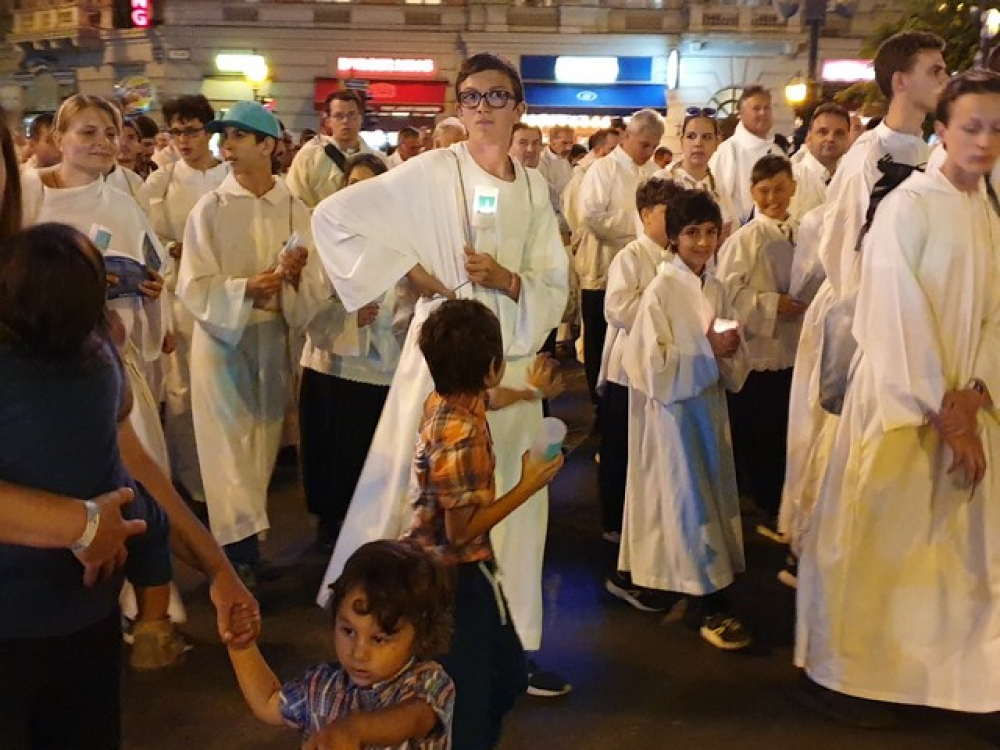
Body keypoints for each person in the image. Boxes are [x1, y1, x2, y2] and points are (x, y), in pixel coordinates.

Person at [313, 52, 570, 698]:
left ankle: (511, 646)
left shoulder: (533, 186)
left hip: (510, 363)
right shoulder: (433, 170)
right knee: (430, 507)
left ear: (519, 108)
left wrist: (507, 280)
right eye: (472, 97)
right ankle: (405, 643)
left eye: (497, 96)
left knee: (514, 507)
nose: (484, 108)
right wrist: (416, 273)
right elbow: (336, 218)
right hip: (446, 359)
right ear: (459, 107)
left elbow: (553, 278)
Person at [796, 69, 1000, 727]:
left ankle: (952, 680)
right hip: (902, 408)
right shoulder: (908, 206)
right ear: (942, 130)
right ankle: (859, 679)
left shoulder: (984, 210)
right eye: (971, 127)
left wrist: (977, 391)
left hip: (964, 405)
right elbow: (893, 315)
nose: (985, 141)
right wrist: (945, 409)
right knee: (885, 547)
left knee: (956, 556)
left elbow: (994, 314)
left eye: (997, 129)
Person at [777, 31, 947, 573]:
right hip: (861, 318)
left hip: (904, 318)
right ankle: (819, 559)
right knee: (838, 440)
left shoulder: (929, 152)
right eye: (935, 70)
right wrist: (877, 320)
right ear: (901, 81)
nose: (945, 80)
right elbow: (842, 249)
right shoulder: (868, 156)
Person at [401, 300, 563, 750]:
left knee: (506, 674)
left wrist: (529, 392)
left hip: (467, 571)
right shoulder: (463, 434)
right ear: (492, 367)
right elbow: (460, 532)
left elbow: (492, 398)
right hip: (455, 577)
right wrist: (529, 483)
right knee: (471, 697)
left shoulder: (448, 400)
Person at [178, 101, 319, 588]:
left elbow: (315, 281)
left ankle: (247, 551)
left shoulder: (295, 208)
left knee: (260, 445)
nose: (227, 146)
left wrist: (295, 279)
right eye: (225, 137)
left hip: (270, 337)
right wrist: (244, 290)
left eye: (238, 136)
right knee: (226, 449)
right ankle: (234, 556)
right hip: (222, 340)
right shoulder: (210, 208)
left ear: (268, 145)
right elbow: (193, 284)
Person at [616, 188, 752, 650]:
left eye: (710, 232)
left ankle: (696, 586)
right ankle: (710, 602)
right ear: (673, 237)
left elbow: (732, 352)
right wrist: (705, 349)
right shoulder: (661, 290)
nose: (703, 242)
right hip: (674, 418)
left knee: (707, 496)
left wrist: (730, 349)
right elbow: (650, 366)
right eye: (692, 233)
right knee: (689, 501)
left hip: (708, 409)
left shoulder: (715, 286)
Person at [228, 540, 454, 749]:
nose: (358, 653)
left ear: (421, 635)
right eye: (348, 631)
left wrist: (354, 729)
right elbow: (268, 701)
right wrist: (243, 647)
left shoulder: (429, 682)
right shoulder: (320, 685)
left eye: (379, 639)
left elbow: (415, 718)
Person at [298, 152, 406, 552]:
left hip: (382, 365)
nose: (359, 194)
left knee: (371, 454)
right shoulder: (326, 236)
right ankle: (331, 526)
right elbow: (308, 301)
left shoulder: (400, 238)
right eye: (352, 185)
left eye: (369, 187)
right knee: (332, 453)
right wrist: (346, 318)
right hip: (333, 363)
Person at [141, 94, 230, 508]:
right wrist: (174, 248)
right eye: (175, 132)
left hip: (224, 294)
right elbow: (147, 239)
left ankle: (225, 481)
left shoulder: (228, 175)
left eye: (191, 131)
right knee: (182, 394)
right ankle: (190, 484)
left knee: (224, 391)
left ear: (208, 131)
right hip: (180, 296)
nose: (183, 140)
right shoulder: (160, 182)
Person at [715, 154, 805, 534]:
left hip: (797, 346)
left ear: (793, 188)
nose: (772, 198)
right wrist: (772, 304)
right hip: (761, 349)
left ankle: (788, 500)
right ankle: (765, 503)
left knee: (790, 428)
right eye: (764, 191)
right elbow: (727, 293)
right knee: (763, 430)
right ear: (752, 192)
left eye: (780, 189)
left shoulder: (804, 231)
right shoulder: (745, 239)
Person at [595, 177, 680, 556]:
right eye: (666, 213)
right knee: (621, 447)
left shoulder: (678, 258)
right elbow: (617, 308)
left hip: (664, 365)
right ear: (646, 216)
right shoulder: (630, 256)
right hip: (628, 368)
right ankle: (614, 522)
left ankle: (650, 517)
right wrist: (660, 305)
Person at [575, 109, 664, 406]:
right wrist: (642, 225)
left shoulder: (655, 173)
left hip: (645, 271)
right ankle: (600, 406)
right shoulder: (603, 169)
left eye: (654, 146)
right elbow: (592, 216)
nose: (648, 152)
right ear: (627, 135)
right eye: (644, 144)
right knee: (600, 342)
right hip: (603, 269)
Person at [286, 90, 384, 209]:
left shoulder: (377, 160)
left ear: (361, 118)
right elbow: (295, 200)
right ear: (328, 121)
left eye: (351, 115)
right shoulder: (309, 156)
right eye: (339, 116)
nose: (345, 121)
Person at [709, 85, 786, 225]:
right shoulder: (728, 151)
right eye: (756, 109)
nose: (763, 113)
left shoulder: (777, 152)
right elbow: (716, 199)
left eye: (767, 108)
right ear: (741, 113)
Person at [655, 107, 736, 235]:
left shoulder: (719, 189)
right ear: (681, 141)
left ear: (717, 143)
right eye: (691, 136)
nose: (698, 143)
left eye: (707, 137)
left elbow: (734, 232)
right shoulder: (662, 181)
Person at [789, 103, 851, 221]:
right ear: (808, 138)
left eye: (839, 133)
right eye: (823, 132)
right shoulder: (791, 178)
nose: (830, 138)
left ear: (848, 140)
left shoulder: (853, 178)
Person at [536, 125, 574, 197]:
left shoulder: (565, 160)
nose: (569, 148)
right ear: (552, 141)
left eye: (571, 143)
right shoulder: (540, 161)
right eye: (564, 143)